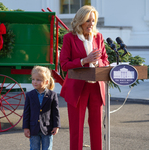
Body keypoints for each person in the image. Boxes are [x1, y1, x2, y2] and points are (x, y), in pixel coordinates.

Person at [59, 5, 109, 150]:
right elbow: (64, 64)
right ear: (80, 21)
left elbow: (105, 61)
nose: (91, 24)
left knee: (97, 127)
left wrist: (97, 61)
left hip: (96, 87)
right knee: (76, 128)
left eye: (93, 21)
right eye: (88, 20)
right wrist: (84, 60)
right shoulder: (69, 38)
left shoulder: (98, 37)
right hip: (77, 88)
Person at [23, 66, 60, 150]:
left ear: (46, 81)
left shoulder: (52, 95)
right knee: (34, 148)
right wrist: (26, 127)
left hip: (48, 129)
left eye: (38, 80)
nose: (34, 82)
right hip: (33, 128)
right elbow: (26, 112)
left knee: (47, 148)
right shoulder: (29, 95)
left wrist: (56, 126)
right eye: (33, 79)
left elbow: (55, 112)